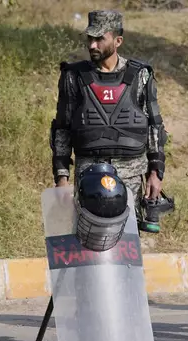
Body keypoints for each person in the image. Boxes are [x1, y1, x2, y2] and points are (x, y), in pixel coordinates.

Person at [49, 9, 168, 222]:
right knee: (86, 241)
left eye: (100, 39)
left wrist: (156, 172)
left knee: (128, 242)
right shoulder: (73, 76)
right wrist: (61, 176)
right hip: (88, 175)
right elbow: (62, 129)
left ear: (118, 40)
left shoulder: (140, 75)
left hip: (131, 174)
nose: (92, 45)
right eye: (90, 38)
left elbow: (154, 126)